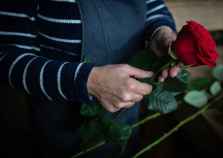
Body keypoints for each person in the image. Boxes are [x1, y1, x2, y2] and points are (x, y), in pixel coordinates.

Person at [0, 0, 179, 157]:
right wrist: (87, 81)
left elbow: (153, 6)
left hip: (128, 121)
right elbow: (7, 57)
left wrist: (161, 32)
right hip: (60, 131)